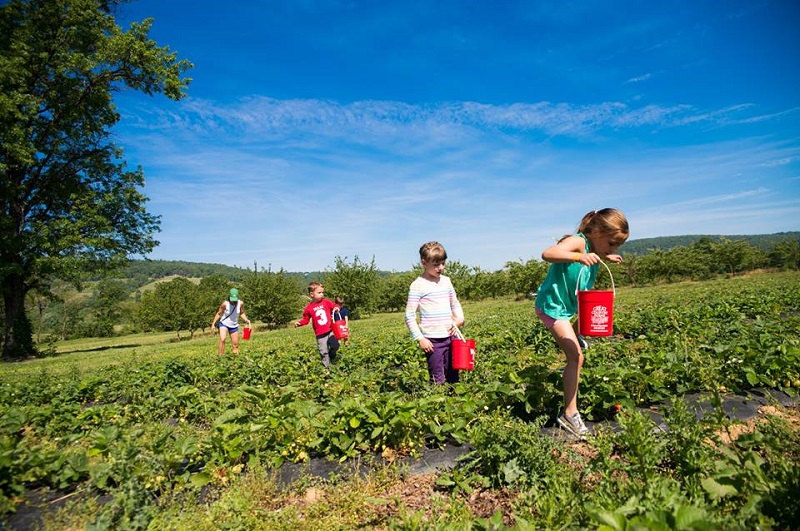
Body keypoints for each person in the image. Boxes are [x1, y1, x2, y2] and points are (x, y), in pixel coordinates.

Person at [534, 208, 629, 439]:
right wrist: (578, 256)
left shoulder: (594, 248)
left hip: (568, 307)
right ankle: (569, 413)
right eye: (612, 243)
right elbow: (548, 254)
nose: (614, 248)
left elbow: (593, 254)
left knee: (582, 332)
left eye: (617, 246)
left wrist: (606, 257)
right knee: (576, 356)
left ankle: (575, 341)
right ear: (596, 232)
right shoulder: (577, 242)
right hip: (553, 307)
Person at [405, 241, 465, 384]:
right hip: (433, 340)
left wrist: (459, 318)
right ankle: (437, 403)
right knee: (437, 376)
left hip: (452, 335)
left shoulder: (446, 281)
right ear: (424, 262)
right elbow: (409, 315)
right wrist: (420, 338)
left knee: (454, 373)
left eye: (443, 263)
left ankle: (454, 401)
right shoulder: (417, 285)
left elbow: (454, 303)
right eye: (436, 264)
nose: (441, 268)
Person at [295, 282, 339, 370]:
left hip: (330, 331)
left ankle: (332, 355)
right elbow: (306, 320)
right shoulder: (309, 308)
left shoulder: (326, 302)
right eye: (319, 293)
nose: (322, 294)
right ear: (312, 294)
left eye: (322, 292)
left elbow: (335, 305)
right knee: (323, 352)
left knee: (335, 345)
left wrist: (336, 308)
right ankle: (327, 369)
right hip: (320, 335)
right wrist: (300, 323)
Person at [211, 288, 251, 355]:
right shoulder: (225, 304)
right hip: (224, 324)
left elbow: (241, 313)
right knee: (223, 339)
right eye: (232, 300)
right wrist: (213, 324)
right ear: (229, 297)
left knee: (235, 345)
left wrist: (246, 319)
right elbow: (218, 313)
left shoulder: (240, 303)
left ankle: (236, 361)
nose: (234, 302)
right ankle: (220, 358)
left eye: (235, 300)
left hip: (234, 326)